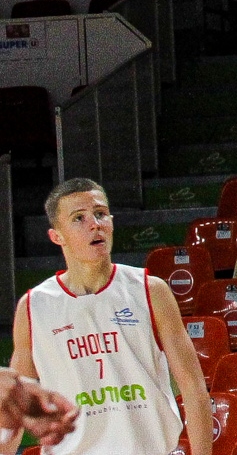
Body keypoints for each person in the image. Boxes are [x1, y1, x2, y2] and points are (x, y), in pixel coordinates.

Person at [8, 178, 204, 455]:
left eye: (100, 214)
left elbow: (194, 388)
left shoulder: (150, 290)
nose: (95, 224)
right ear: (56, 236)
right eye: (79, 218)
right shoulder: (34, 306)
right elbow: (15, 406)